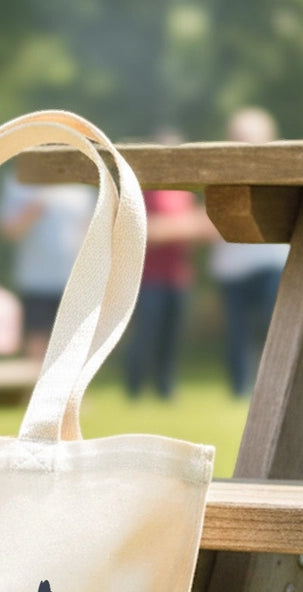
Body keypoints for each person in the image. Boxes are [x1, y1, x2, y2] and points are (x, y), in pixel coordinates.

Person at [125, 132, 214, 399]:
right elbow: (142, 231)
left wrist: (176, 227)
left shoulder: (182, 191)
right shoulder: (145, 189)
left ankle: (165, 389)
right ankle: (135, 389)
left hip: (178, 276)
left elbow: (206, 226)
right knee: (145, 335)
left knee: (171, 338)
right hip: (148, 277)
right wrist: (184, 226)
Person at [210, 107, 290, 397]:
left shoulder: (283, 167)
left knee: (276, 330)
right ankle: (239, 390)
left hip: (271, 263)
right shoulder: (216, 168)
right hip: (232, 268)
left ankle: (277, 387)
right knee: (237, 336)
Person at [0, 174, 95, 360]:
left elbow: (89, 232)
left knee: (73, 347)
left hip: (73, 281)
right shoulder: (19, 182)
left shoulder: (81, 184)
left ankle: (70, 390)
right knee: (37, 344)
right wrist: (32, 210)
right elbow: (9, 231)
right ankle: (37, 389)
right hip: (36, 281)